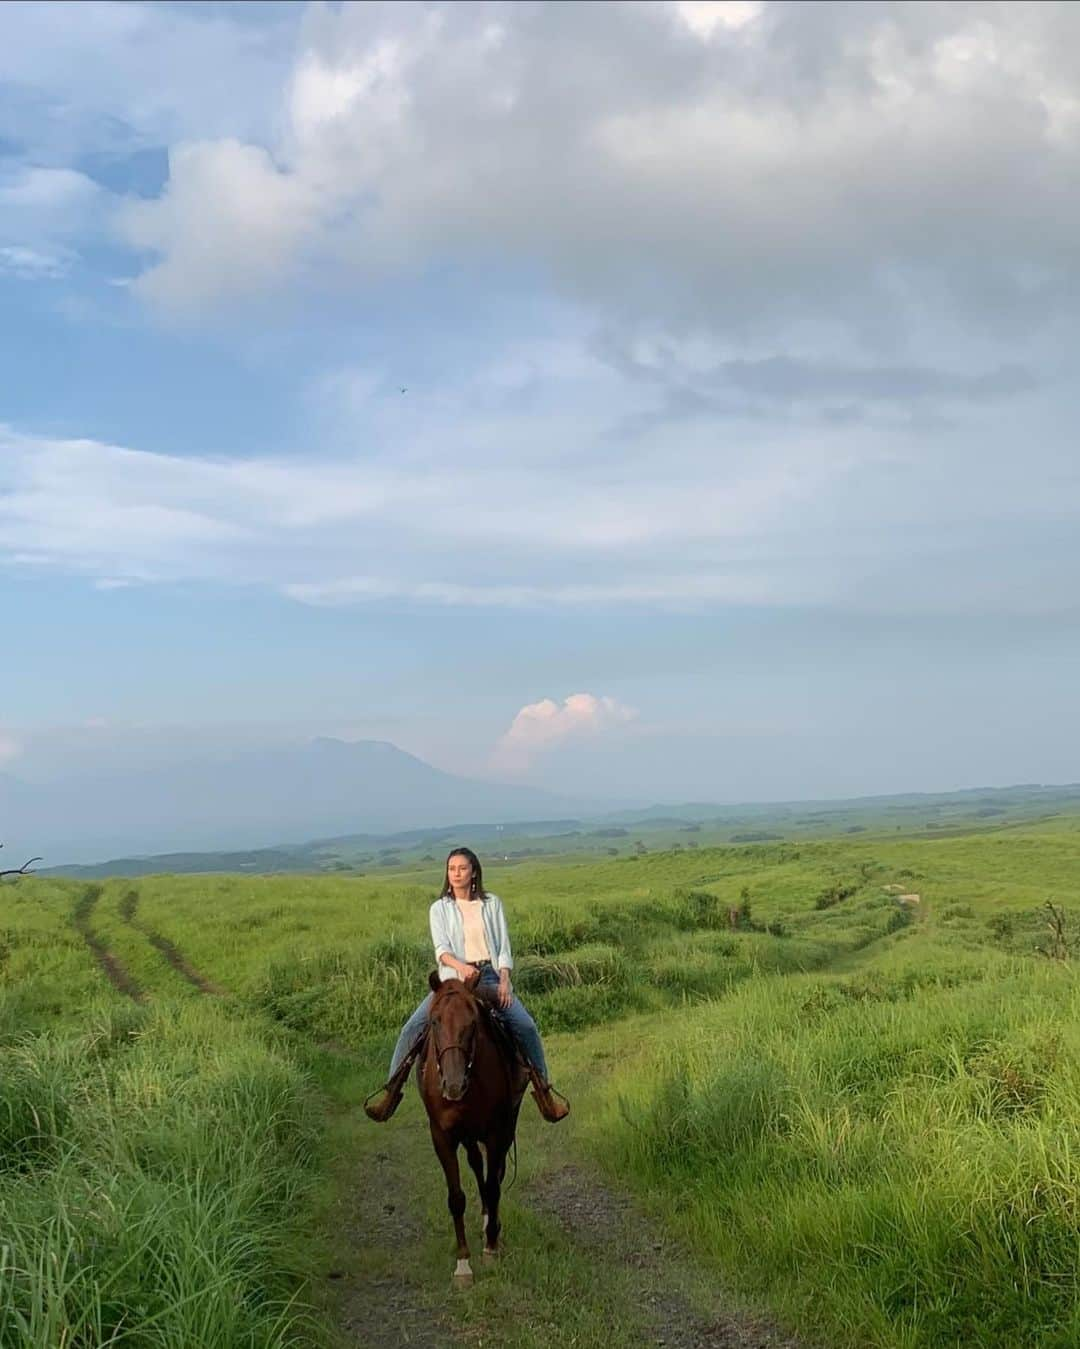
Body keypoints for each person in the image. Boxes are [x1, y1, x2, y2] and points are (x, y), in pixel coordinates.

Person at [364, 846, 569, 1123]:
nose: (456, 874)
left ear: (474, 871)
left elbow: (504, 947)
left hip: (489, 976)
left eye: (461, 868)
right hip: (453, 982)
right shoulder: (439, 908)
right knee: (412, 1027)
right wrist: (462, 969)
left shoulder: (492, 903)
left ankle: (545, 1094)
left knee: (525, 1026)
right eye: (451, 869)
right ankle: (390, 1093)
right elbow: (442, 950)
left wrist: (505, 980)